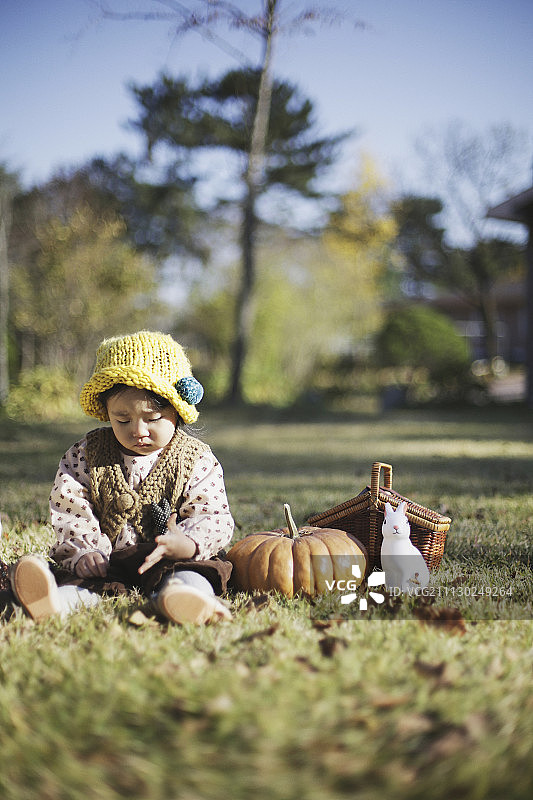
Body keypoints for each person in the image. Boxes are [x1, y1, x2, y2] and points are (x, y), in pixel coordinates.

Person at [9, 330, 234, 625]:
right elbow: (70, 506)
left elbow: (212, 513)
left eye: (152, 418)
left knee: (195, 573)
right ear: (107, 411)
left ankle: (185, 598)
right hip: (109, 561)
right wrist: (86, 550)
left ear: (177, 411)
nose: (138, 430)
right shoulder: (87, 454)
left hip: (172, 559)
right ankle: (56, 603)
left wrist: (189, 542)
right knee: (83, 583)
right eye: (122, 419)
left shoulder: (195, 459)